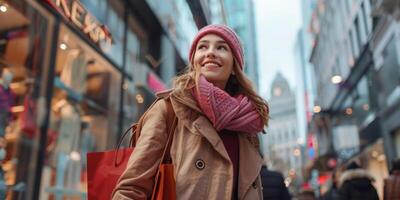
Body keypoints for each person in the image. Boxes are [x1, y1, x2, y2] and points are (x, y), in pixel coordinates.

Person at [112, 24, 269, 199]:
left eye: (221, 47)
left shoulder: (247, 127)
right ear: (194, 61)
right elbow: (131, 189)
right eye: (203, 46)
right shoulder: (169, 110)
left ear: (234, 66)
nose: (210, 52)